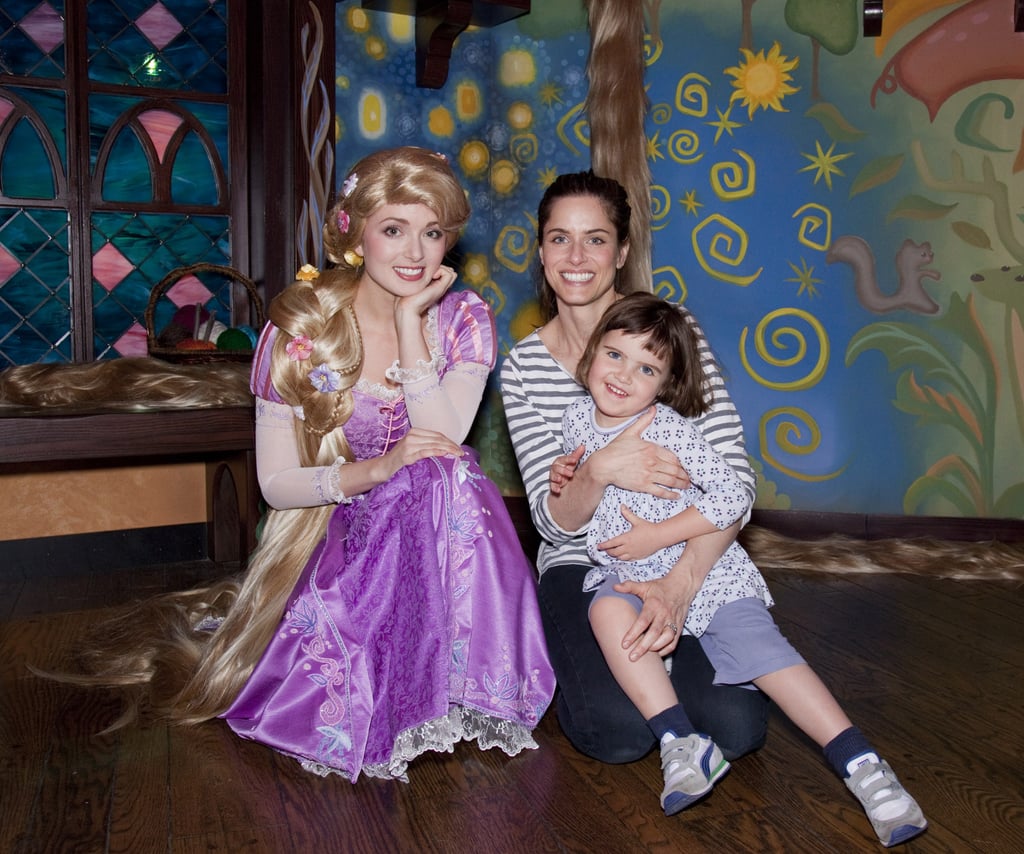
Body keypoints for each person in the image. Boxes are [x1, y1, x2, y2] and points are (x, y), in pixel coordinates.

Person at [52, 146, 554, 782]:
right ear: (354, 232)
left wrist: (408, 323)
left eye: (432, 233)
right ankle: (390, 685)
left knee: (446, 471)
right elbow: (276, 485)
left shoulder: (463, 319)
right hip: (338, 521)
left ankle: (461, 677)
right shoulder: (301, 330)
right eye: (394, 230)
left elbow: (442, 436)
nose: (415, 253)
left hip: (438, 520)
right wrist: (371, 472)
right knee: (423, 476)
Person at [556, 292, 927, 847]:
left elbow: (732, 498)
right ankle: (682, 742)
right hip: (626, 574)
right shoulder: (575, 416)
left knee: (763, 654)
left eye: (647, 368)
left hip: (706, 573)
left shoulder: (673, 431)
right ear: (590, 356)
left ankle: (863, 765)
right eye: (614, 355)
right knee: (606, 609)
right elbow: (572, 490)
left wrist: (658, 535)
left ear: (665, 384)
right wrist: (571, 470)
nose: (623, 375)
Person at [499, 170, 769, 767]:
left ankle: (680, 662)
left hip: (686, 551)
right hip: (584, 563)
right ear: (540, 250)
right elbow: (554, 524)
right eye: (558, 238)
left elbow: (736, 485)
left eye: (595, 239)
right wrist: (600, 469)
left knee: (735, 728)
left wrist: (680, 584)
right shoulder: (522, 368)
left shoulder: (674, 335)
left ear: (621, 253)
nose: (576, 257)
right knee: (617, 736)